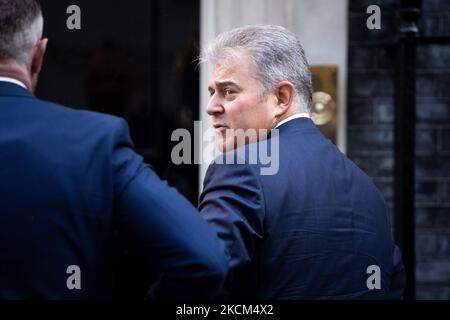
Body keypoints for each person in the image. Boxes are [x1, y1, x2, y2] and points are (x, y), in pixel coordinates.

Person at [0, 0, 227, 299]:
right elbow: (204, 259)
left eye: (116, 79)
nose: (107, 89)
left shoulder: (143, 133)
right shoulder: (96, 141)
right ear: (39, 55)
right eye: (99, 79)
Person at [198, 24, 405, 299]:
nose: (211, 106)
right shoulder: (369, 191)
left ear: (281, 98)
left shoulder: (240, 168)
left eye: (228, 91)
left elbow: (201, 279)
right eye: (212, 92)